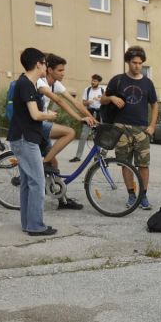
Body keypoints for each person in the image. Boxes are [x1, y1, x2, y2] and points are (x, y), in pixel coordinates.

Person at [8, 47, 59, 237]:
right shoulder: (27, 84)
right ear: (38, 63)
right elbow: (35, 114)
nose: (46, 66)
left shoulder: (26, 83)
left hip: (22, 138)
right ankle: (36, 226)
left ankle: (28, 223)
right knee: (37, 182)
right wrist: (50, 115)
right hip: (25, 139)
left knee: (28, 183)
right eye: (45, 63)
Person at [101, 46, 158, 210]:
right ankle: (131, 195)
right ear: (128, 62)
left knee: (144, 165)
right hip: (120, 128)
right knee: (125, 163)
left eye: (140, 63)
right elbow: (103, 99)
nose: (137, 66)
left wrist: (152, 125)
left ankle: (143, 196)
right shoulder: (118, 80)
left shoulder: (148, 83)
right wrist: (111, 97)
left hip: (141, 129)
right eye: (134, 62)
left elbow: (154, 105)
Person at [37, 53, 95, 210]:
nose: (63, 73)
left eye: (64, 70)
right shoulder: (40, 81)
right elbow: (60, 102)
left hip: (42, 123)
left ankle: (62, 201)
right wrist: (78, 119)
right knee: (69, 133)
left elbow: (75, 102)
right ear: (49, 69)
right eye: (60, 70)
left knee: (54, 163)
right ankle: (43, 164)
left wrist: (92, 118)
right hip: (35, 124)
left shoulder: (56, 84)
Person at [70, 74, 104, 162]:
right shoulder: (87, 90)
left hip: (99, 114)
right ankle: (78, 156)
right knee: (83, 135)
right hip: (89, 113)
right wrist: (89, 101)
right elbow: (83, 103)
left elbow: (105, 103)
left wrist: (100, 100)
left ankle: (97, 156)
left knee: (98, 136)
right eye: (92, 80)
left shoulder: (103, 91)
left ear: (98, 82)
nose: (93, 82)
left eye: (95, 81)